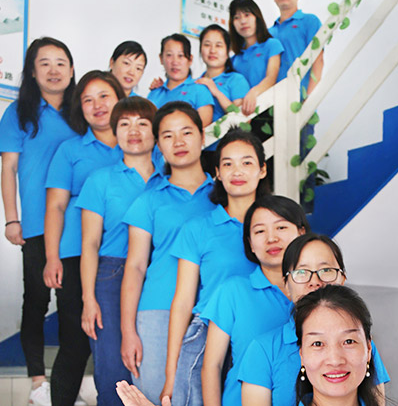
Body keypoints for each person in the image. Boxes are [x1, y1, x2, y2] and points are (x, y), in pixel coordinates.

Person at [161, 128, 272, 406]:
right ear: (218, 173)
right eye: (228, 164)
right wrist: (171, 373)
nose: (237, 171)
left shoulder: (279, 226)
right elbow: (183, 301)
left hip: (265, 328)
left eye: (247, 162)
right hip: (209, 333)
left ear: (262, 169)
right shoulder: (197, 228)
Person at [120, 102, 216, 404]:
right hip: (157, 311)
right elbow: (135, 266)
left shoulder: (225, 195)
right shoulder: (148, 200)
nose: (178, 142)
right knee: (157, 397)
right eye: (168, 135)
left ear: (202, 136)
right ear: (159, 145)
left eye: (186, 132)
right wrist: (128, 331)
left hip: (215, 310)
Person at [0, 37, 77, 406]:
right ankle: (37, 383)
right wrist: (11, 220)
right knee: (35, 302)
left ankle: (65, 385)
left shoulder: (81, 111)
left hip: (76, 227)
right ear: (32, 71)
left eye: (61, 62)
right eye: (44, 63)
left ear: (72, 70)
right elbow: (9, 168)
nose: (53, 69)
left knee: (72, 307)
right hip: (34, 224)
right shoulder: (18, 113)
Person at [44, 70, 125, 405]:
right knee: (77, 343)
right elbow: (55, 206)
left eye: (104, 96)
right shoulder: (70, 150)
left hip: (130, 255)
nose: (97, 105)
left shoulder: (140, 144)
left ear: (120, 98)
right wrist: (52, 257)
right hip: (77, 254)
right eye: (88, 100)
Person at [76, 97, 161, 406]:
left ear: (156, 132)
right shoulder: (100, 180)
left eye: (142, 123)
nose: (133, 131)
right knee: (114, 372)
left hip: (160, 276)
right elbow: (90, 244)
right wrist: (88, 299)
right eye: (124, 124)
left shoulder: (168, 179)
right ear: (115, 132)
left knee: (154, 370)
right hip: (111, 277)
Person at [238, 233, 389, 406]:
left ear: (342, 278)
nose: (315, 281)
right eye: (302, 272)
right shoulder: (263, 348)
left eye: (326, 270)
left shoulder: (361, 343)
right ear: (286, 284)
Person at [200, 195, 311, 406]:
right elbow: (212, 366)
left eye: (281, 227)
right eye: (260, 231)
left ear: (301, 232)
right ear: (250, 244)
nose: (271, 238)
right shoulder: (232, 291)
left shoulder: (318, 288)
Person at [269, 0, 323, 98]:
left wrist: (308, 101)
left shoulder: (310, 22)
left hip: (301, 102)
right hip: (273, 104)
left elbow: (318, 62)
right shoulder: (268, 33)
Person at [229, 0, 283, 115]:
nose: (243, 21)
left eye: (247, 15)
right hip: (242, 115)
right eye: (237, 17)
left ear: (257, 17)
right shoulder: (234, 59)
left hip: (268, 111)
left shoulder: (272, 45)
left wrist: (254, 92)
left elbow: (271, 78)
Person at [147, 34, 214, 126]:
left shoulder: (200, 90)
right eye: (169, 55)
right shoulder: (154, 93)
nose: (175, 62)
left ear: (190, 59)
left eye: (180, 55)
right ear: (161, 58)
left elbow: (204, 129)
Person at [195, 24, 250, 123]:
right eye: (207, 45)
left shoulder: (236, 80)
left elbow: (243, 120)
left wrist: (216, 92)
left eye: (218, 45)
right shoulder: (196, 83)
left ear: (227, 51)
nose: (212, 50)